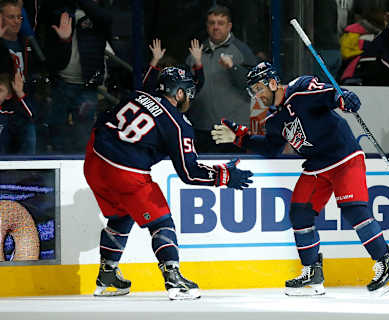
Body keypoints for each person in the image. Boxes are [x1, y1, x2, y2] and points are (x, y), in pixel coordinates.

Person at [211, 62, 389, 296]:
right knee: (300, 212)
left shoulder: (301, 89)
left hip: (343, 157)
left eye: (258, 88)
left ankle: (387, 264)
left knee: (354, 210)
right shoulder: (276, 119)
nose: (257, 95)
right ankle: (312, 274)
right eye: (252, 91)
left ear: (273, 83)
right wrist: (240, 137)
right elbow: (271, 148)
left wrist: (345, 98)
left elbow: (330, 95)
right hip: (317, 166)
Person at [83, 65, 253, 300]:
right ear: (179, 93)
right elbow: (189, 173)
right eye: (188, 92)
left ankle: (107, 274)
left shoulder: (137, 95)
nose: (189, 98)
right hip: (126, 171)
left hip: (93, 160)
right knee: (161, 221)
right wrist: (223, 175)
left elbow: (105, 118)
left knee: (121, 215)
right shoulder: (178, 124)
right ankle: (173, 278)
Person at [185, 4, 258, 153]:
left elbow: (254, 87)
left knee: (232, 173)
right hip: (201, 128)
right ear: (207, 26)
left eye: (221, 23)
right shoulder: (197, 51)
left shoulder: (241, 50)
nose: (216, 27)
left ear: (229, 26)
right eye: (212, 23)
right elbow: (185, 91)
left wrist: (233, 68)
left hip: (232, 130)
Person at [41, 0, 112, 154]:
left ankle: (80, 172)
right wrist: (64, 40)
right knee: (56, 131)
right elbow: (46, 14)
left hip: (86, 85)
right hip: (61, 82)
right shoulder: (61, 10)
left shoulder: (99, 13)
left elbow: (106, 19)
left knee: (83, 136)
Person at [0, 0, 36, 154]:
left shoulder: (27, 44)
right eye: (11, 17)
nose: (16, 21)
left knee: (28, 161)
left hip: (23, 108)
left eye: (19, 17)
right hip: (3, 111)